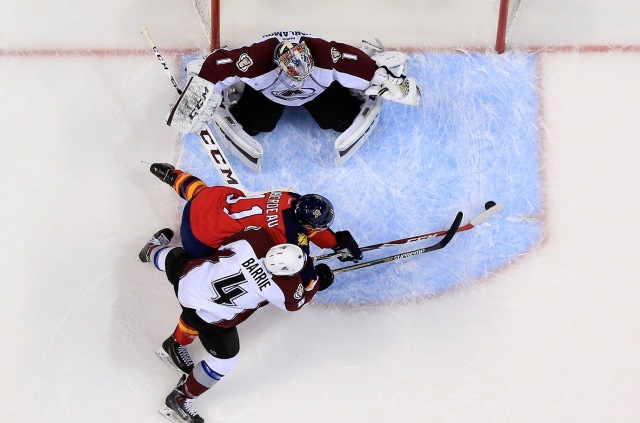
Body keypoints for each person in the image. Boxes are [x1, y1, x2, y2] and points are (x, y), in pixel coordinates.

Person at [138, 226, 335, 423]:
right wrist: (319, 280)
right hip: (207, 318)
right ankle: (181, 398)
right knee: (225, 361)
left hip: (188, 282)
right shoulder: (284, 289)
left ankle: (150, 250)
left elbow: (225, 245)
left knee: (174, 257)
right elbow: (300, 300)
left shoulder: (253, 239)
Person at [165, 30, 421, 168]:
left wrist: (389, 82)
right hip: (268, 92)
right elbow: (217, 66)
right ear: (278, 64)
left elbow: (362, 66)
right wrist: (196, 95)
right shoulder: (255, 61)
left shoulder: (329, 55)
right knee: (255, 126)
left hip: (319, 90)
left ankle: (346, 94)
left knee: (342, 121)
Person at [148, 162, 362, 286]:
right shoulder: (290, 234)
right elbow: (303, 275)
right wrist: (318, 279)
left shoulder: (293, 197)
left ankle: (174, 176)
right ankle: (154, 252)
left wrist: (335, 243)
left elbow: (307, 231)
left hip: (205, 203)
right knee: (199, 270)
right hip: (198, 236)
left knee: (204, 194)